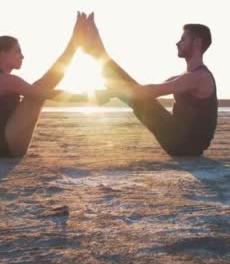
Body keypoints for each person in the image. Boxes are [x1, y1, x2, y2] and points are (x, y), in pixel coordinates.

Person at [0, 12, 90, 157]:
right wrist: (90, 97)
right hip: (9, 147)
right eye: (17, 51)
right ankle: (74, 45)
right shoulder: (5, 80)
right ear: (3, 54)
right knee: (37, 92)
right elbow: (46, 94)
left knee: (39, 88)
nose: (22, 56)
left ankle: (74, 45)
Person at [83, 13, 218, 156]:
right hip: (181, 141)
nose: (177, 43)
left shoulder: (200, 77)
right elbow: (142, 90)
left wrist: (114, 92)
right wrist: (118, 91)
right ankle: (98, 52)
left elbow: (152, 91)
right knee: (138, 93)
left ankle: (98, 52)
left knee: (139, 94)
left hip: (187, 145)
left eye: (183, 39)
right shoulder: (183, 77)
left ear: (197, 43)